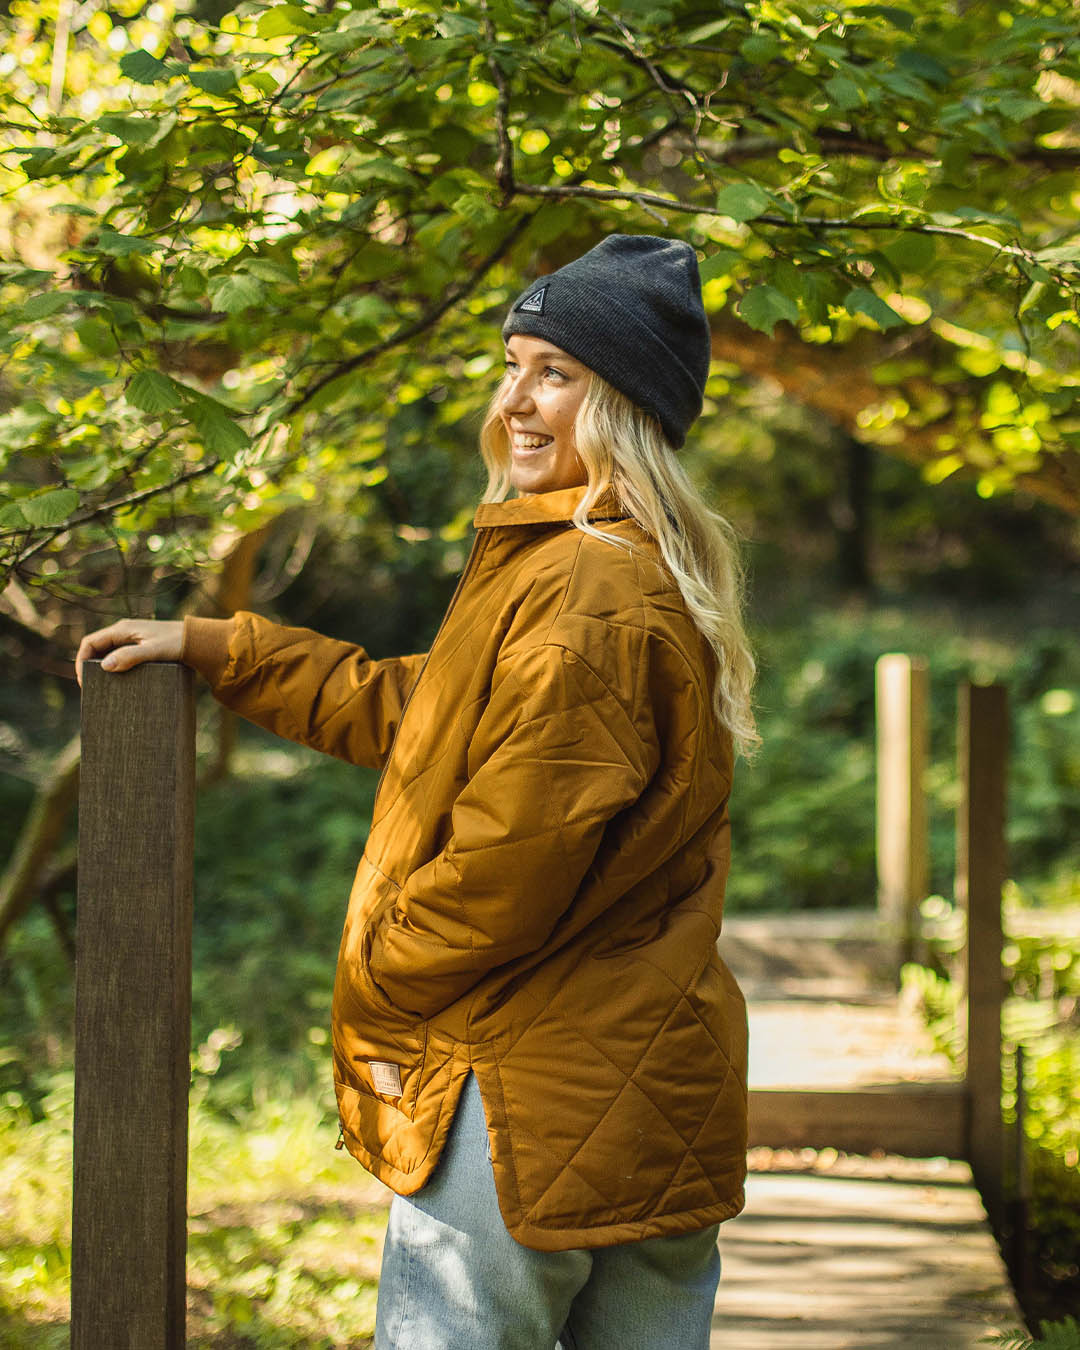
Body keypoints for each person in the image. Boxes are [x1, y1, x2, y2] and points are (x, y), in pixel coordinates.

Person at [76, 233, 756, 1350]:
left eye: (556, 373)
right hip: (646, 1086)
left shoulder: (589, 592)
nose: (516, 402)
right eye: (512, 362)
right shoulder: (594, 565)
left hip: (527, 1099)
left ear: (627, 404)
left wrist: (381, 972)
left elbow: (509, 860)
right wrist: (223, 647)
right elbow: (425, 714)